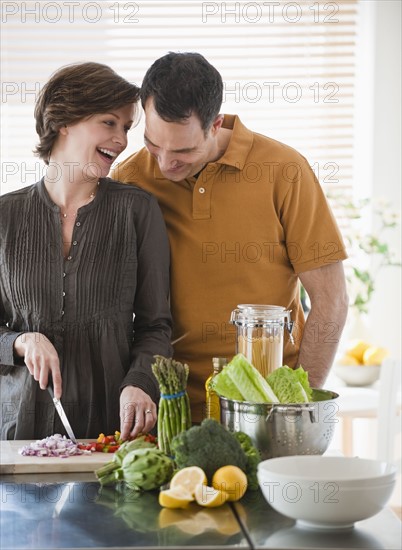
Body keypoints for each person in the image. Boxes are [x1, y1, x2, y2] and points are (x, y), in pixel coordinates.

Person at [113, 52, 349, 422]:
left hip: (268, 407)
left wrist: (298, 407)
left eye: (184, 151)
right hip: (169, 408)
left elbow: (331, 299)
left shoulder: (284, 171)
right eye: (153, 144)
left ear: (215, 124)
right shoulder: (130, 178)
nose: (164, 164)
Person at [0, 62, 173, 440]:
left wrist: (141, 382)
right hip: (17, 436)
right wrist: (20, 340)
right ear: (64, 120)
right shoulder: (4, 216)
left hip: (111, 434)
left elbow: (155, 326)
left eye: (127, 127)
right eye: (110, 123)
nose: (122, 139)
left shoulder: (137, 210)